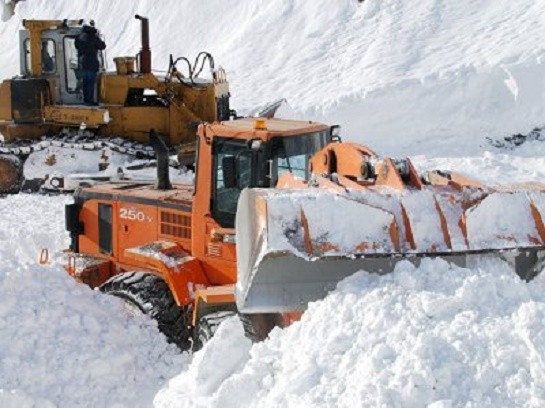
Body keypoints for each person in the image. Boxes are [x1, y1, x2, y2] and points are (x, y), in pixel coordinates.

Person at [75, 21, 106, 105]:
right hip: (92, 64)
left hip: (84, 64)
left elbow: (76, 45)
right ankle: (91, 101)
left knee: (85, 83)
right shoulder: (93, 37)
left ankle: (86, 100)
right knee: (91, 84)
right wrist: (97, 37)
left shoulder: (80, 37)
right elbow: (103, 46)